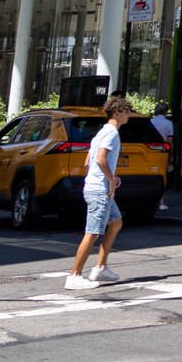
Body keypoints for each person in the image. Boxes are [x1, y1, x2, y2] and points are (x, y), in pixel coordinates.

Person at [65, 96, 131, 289]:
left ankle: (101, 267)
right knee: (92, 232)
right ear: (118, 112)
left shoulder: (101, 133)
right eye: (126, 112)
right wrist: (111, 179)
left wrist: (108, 178)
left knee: (116, 222)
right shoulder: (111, 134)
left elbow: (88, 160)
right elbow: (101, 159)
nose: (128, 115)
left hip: (98, 188)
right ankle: (74, 275)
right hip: (100, 190)